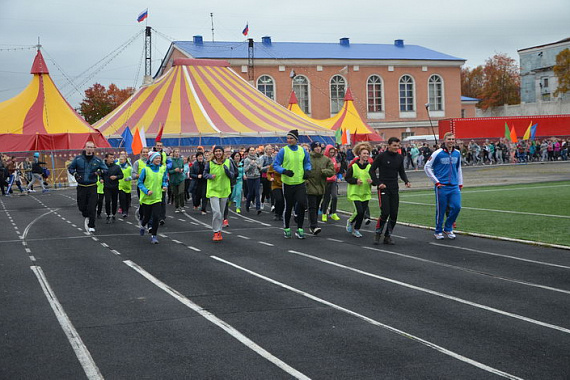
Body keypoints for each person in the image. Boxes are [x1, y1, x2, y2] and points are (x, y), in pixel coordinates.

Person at [369, 137, 411, 245]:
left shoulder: (399, 157)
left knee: (394, 214)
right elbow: (371, 170)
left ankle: (388, 236)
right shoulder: (381, 156)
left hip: (394, 188)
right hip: (383, 188)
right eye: (394, 145)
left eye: (398, 145)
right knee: (385, 212)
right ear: (389, 145)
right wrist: (378, 183)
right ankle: (378, 233)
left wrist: (406, 181)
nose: (396, 148)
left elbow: (401, 171)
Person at [273, 129, 312, 239]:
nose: (289, 140)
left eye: (291, 138)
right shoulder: (283, 151)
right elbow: (276, 165)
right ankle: (286, 228)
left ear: (296, 139)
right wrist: (284, 171)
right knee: (289, 206)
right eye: (288, 138)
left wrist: (307, 171)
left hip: (300, 182)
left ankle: (300, 228)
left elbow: (307, 163)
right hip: (288, 183)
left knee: (301, 204)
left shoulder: (302, 151)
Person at [424, 132, 463, 240]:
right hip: (442, 186)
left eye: (453, 139)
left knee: (457, 207)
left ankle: (448, 227)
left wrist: (460, 183)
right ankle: (438, 231)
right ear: (444, 140)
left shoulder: (457, 153)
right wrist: (436, 182)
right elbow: (427, 167)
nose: (451, 141)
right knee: (441, 210)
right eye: (449, 139)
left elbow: (458, 168)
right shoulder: (437, 153)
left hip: (454, 186)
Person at [68, 141, 108, 232]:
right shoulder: (78, 159)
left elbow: (105, 169)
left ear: (94, 149)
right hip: (81, 186)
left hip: (92, 186)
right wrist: (75, 174)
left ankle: (91, 225)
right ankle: (86, 213)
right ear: (85, 148)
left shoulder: (97, 160)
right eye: (88, 147)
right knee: (81, 206)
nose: (90, 149)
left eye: (91, 147)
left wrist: (99, 172)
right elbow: (70, 168)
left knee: (92, 206)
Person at [204, 146, 235, 241]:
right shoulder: (210, 163)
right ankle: (216, 231)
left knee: (221, 212)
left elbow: (233, 175)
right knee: (216, 212)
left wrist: (227, 171)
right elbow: (204, 174)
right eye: (216, 151)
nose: (218, 153)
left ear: (222, 152)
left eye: (219, 151)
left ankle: (219, 230)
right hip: (213, 190)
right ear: (214, 153)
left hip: (224, 190)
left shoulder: (228, 162)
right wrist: (209, 176)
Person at [138, 152, 168, 244]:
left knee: (156, 217)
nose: (158, 160)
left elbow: (164, 180)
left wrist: (164, 185)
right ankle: (143, 225)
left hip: (157, 197)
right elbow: (140, 183)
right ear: (151, 160)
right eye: (156, 158)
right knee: (146, 217)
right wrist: (146, 191)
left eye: (159, 158)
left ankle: (154, 236)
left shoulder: (161, 170)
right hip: (147, 198)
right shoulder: (145, 170)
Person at [345, 142, 373, 238]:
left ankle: (356, 229)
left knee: (362, 213)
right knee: (359, 211)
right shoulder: (354, 166)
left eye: (367, 153)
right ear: (359, 154)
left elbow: (374, 180)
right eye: (364, 153)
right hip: (355, 193)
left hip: (365, 193)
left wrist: (372, 181)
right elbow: (347, 178)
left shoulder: (370, 167)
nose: (366, 155)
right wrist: (355, 180)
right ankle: (350, 221)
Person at [306, 141, 334, 235]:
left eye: (319, 147)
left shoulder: (326, 159)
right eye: (316, 147)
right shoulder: (307, 158)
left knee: (317, 205)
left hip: (321, 186)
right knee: (312, 207)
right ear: (312, 148)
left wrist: (324, 171)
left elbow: (331, 171)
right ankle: (314, 226)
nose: (318, 148)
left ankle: (313, 224)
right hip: (310, 184)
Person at [320, 145, 341, 222]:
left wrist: (338, 168)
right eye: (331, 152)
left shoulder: (334, 159)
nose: (332, 154)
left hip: (333, 180)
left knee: (335, 196)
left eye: (333, 152)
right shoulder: (324, 160)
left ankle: (333, 212)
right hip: (326, 181)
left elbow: (335, 170)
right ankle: (324, 213)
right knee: (326, 198)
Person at [102, 153, 124, 223]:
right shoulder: (103, 166)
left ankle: (113, 214)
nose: (112, 159)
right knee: (107, 201)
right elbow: (101, 174)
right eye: (110, 158)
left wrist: (116, 177)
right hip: (107, 187)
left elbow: (121, 175)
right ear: (106, 158)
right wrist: (101, 179)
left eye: (113, 158)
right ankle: (108, 214)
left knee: (114, 201)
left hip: (115, 186)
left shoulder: (117, 167)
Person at [243, 146, 263, 214]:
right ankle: (247, 204)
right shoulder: (246, 160)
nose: (252, 151)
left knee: (257, 192)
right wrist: (250, 165)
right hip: (250, 177)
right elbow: (245, 169)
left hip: (257, 177)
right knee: (251, 193)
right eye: (251, 150)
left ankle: (258, 208)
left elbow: (260, 168)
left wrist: (259, 167)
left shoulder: (258, 159)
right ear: (248, 152)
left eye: (253, 150)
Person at [169, 148, 186, 213]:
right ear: (173, 153)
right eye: (176, 152)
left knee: (181, 192)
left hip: (181, 178)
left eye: (178, 152)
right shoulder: (170, 161)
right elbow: (168, 171)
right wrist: (174, 170)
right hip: (173, 179)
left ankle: (182, 206)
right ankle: (177, 207)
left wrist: (182, 169)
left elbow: (182, 167)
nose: (177, 153)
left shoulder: (181, 160)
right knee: (175, 194)